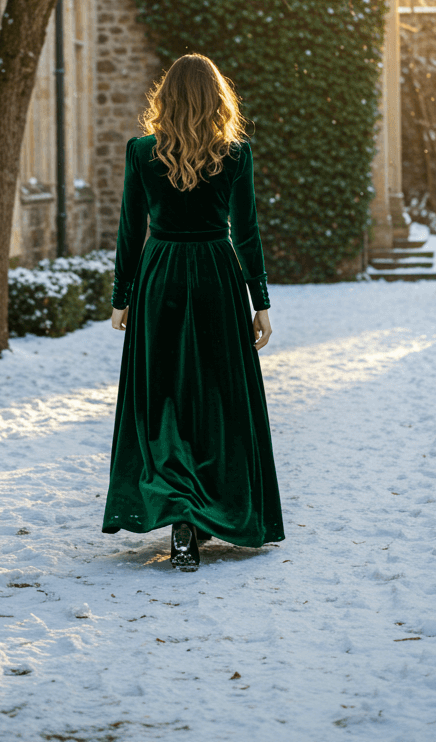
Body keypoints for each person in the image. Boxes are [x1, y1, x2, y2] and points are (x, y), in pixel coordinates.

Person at [102, 53, 285, 571]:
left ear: (166, 99)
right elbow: (246, 234)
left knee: (162, 398)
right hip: (215, 279)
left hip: (160, 278)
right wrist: (261, 302)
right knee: (218, 398)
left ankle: (181, 512)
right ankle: (204, 511)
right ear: (216, 99)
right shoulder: (235, 154)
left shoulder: (141, 153)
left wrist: (122, 294)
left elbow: (128, 230)